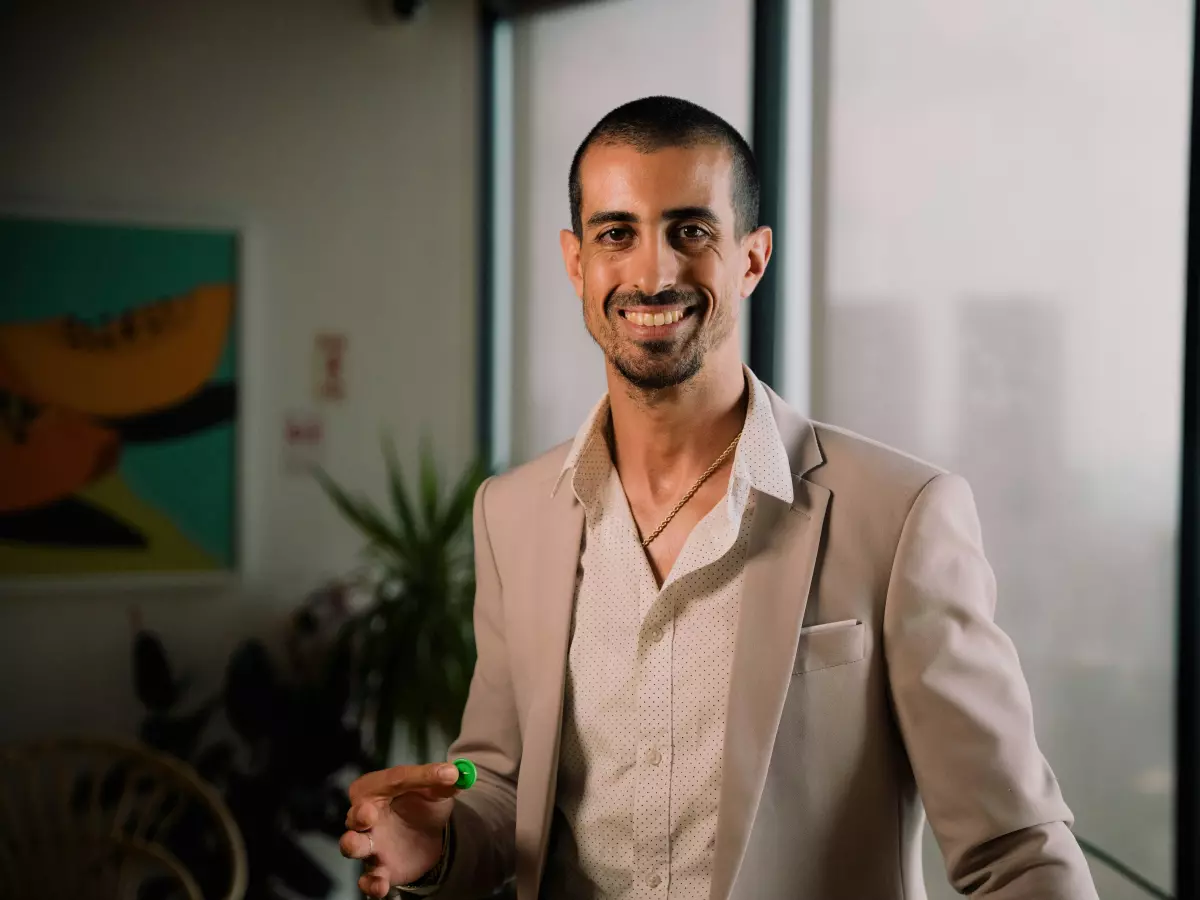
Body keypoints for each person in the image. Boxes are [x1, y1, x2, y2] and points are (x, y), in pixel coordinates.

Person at [339, 96, 1099, 899]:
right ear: (576, 262)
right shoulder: (512, 514)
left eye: (691, 231)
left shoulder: (901, 515)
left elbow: (1015, 849)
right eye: (617, 233)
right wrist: (442, 838)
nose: (653, 272)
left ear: (751, 258)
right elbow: (496, 779)